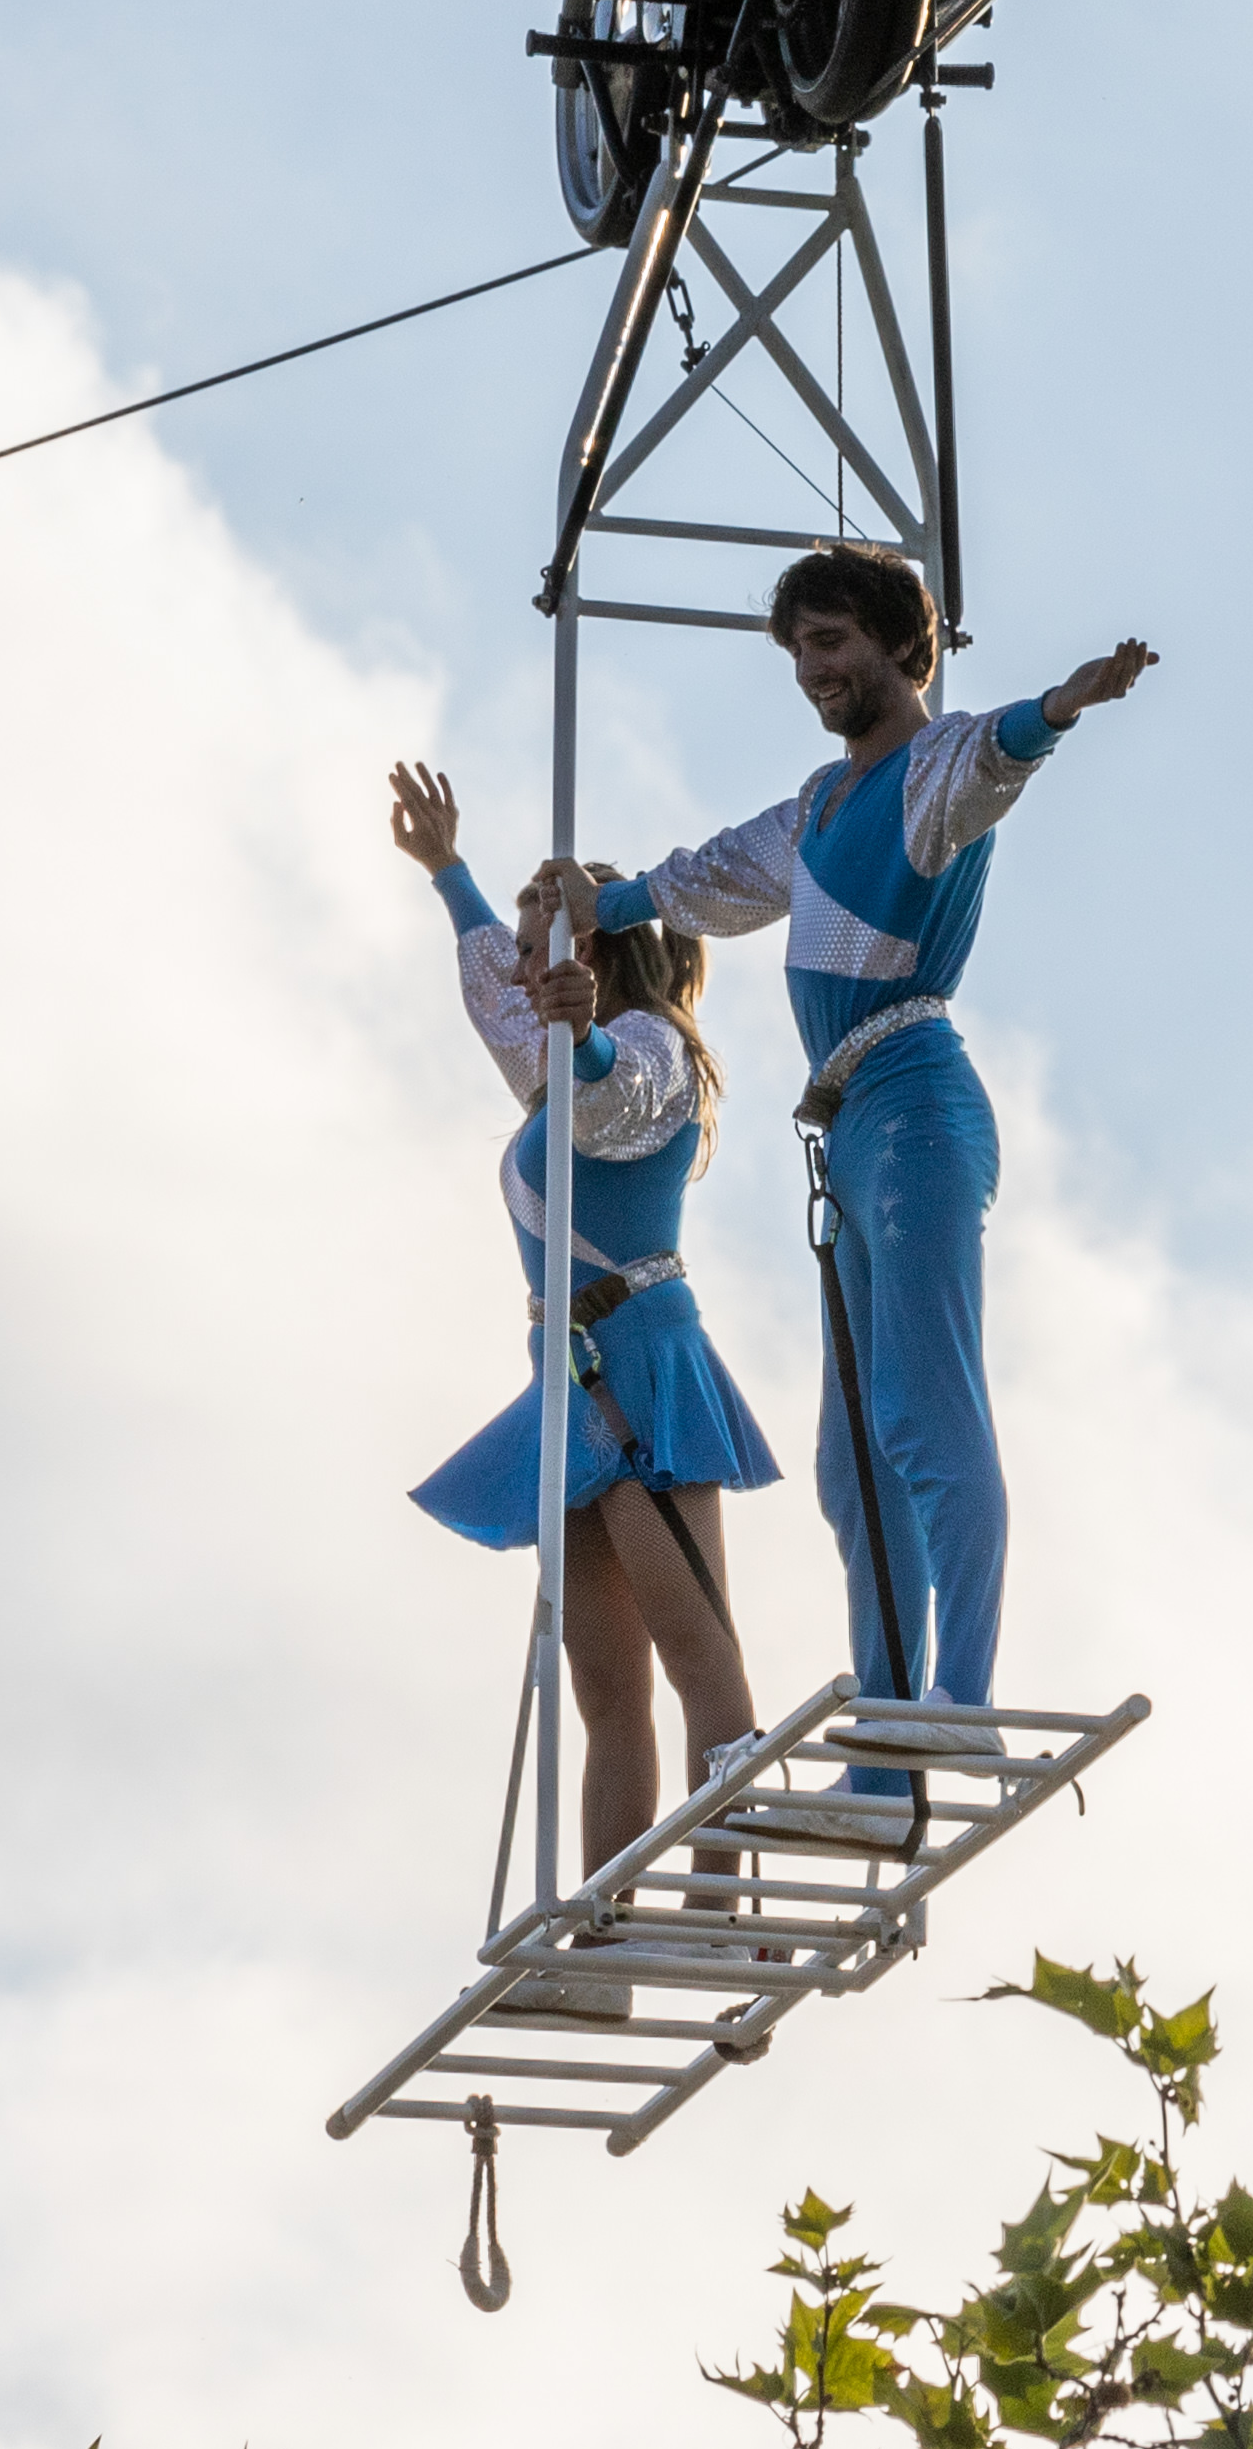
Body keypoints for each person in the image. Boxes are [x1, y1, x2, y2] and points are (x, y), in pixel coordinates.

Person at [545, 549, 1155, 1781]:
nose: (813, 670)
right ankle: (886, 1742)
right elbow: (710, 877)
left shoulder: (931, 774)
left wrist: (1059, 708)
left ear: (895, 644)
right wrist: (602, 902)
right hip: (856, 1122)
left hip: (917, 1103)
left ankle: (961, 1696)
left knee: (927, 1412)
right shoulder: (824, 802)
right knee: (854, 1461)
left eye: (830, 642)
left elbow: (993, 758)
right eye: (799, 651)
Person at [389, 758, 777, 1936]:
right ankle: (602, 1932)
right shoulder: (554, 1057)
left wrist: (586, 1039)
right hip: (568, 1378)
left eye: (541, 949)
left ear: (591, 953)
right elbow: (499, 1000)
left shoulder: (646, 1049)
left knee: (697, 1656)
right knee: (607, 1687)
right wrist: (449, 871)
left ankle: (721, 1906)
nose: (520, 971)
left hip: (636, 1366)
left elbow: (624, 1098)